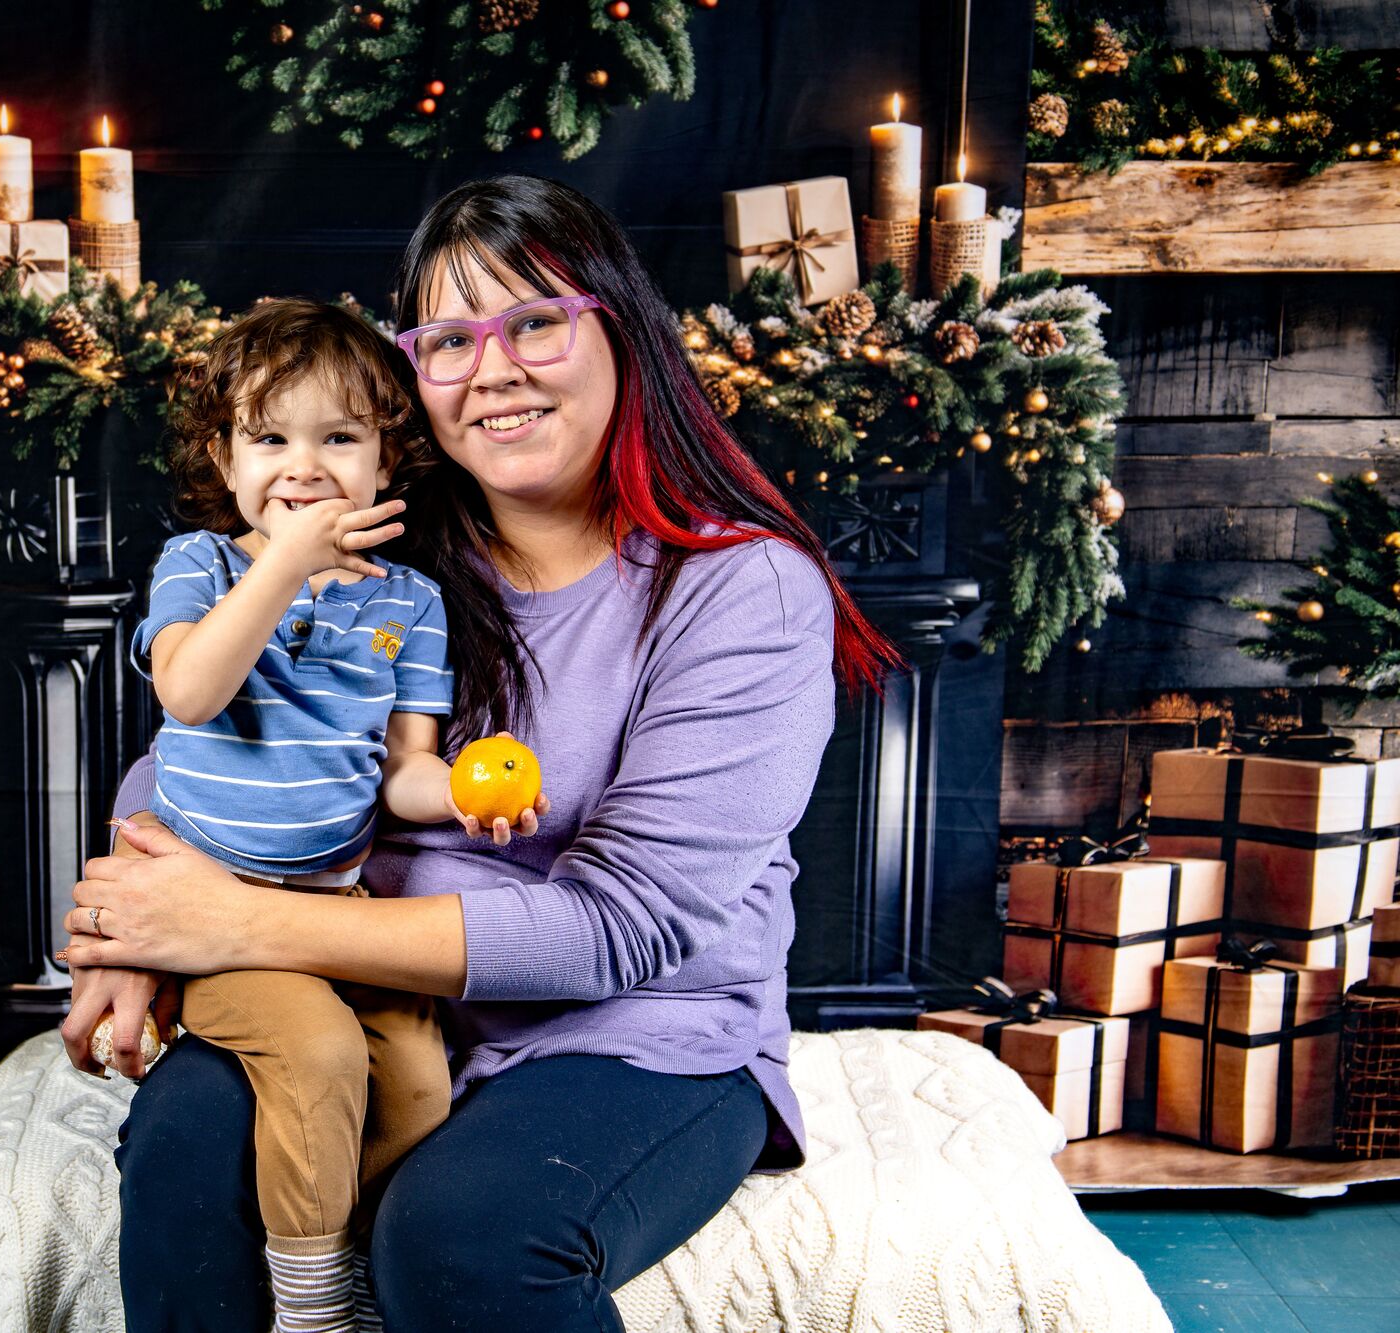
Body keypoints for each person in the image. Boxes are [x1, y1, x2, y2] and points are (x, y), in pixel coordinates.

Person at [59, 176, 905, 1332]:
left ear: (622, 332)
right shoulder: (383, 566)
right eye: (449, 340)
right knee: (181, 1153)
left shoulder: (741, 591)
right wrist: (130, 918)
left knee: (458, 1238)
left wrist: (232, 923)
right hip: (365, 998)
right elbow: (208, 737)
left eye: (535, 322)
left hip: (633, 1035)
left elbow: (622, 926)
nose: (492, 370)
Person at [107, 296, 547, 1333]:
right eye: (269, 439)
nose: (302, 468)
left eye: (338, 438)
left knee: (417, 1083)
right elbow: (190, 693)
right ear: (223, 460)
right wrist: (283, 563)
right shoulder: (202, 564)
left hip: (334, 907)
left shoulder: (409, 602)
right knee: (318, 1054)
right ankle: (314, 1308)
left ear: (388, 460)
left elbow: (401, 771)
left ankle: (337, 1245)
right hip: (208, 912)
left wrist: (463, 793)